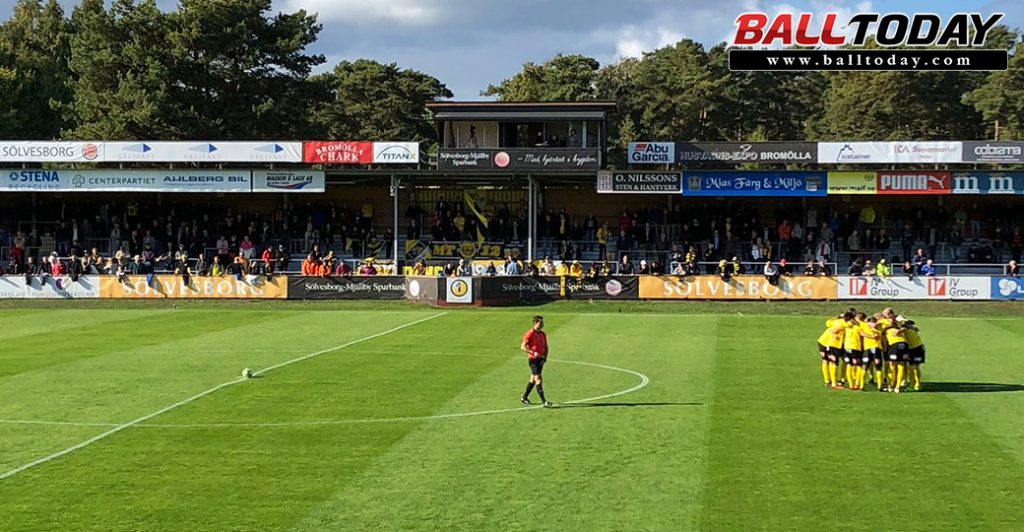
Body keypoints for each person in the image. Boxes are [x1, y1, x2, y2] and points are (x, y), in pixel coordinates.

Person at [520, 316, 553, 408]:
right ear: (535, 323)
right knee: (538, 378)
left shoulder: (543, 334)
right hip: (533, 360)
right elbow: (522, 347)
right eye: (540, 323)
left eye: (542, 323)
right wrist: (532, 352)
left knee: (533, 379)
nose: (542, 324)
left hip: (540, 359)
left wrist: (544, 358)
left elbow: (546, 347)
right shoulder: (529, 333)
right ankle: (544, 401)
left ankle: (524, 397)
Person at [904, 319, 925, 391]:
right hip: (910, 348)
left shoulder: (909, 329)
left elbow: (916, 328)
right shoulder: (904, 329)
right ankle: (912, 383)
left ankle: (917, 384)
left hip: (917, 348)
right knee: (910, 367)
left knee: (915, 366)